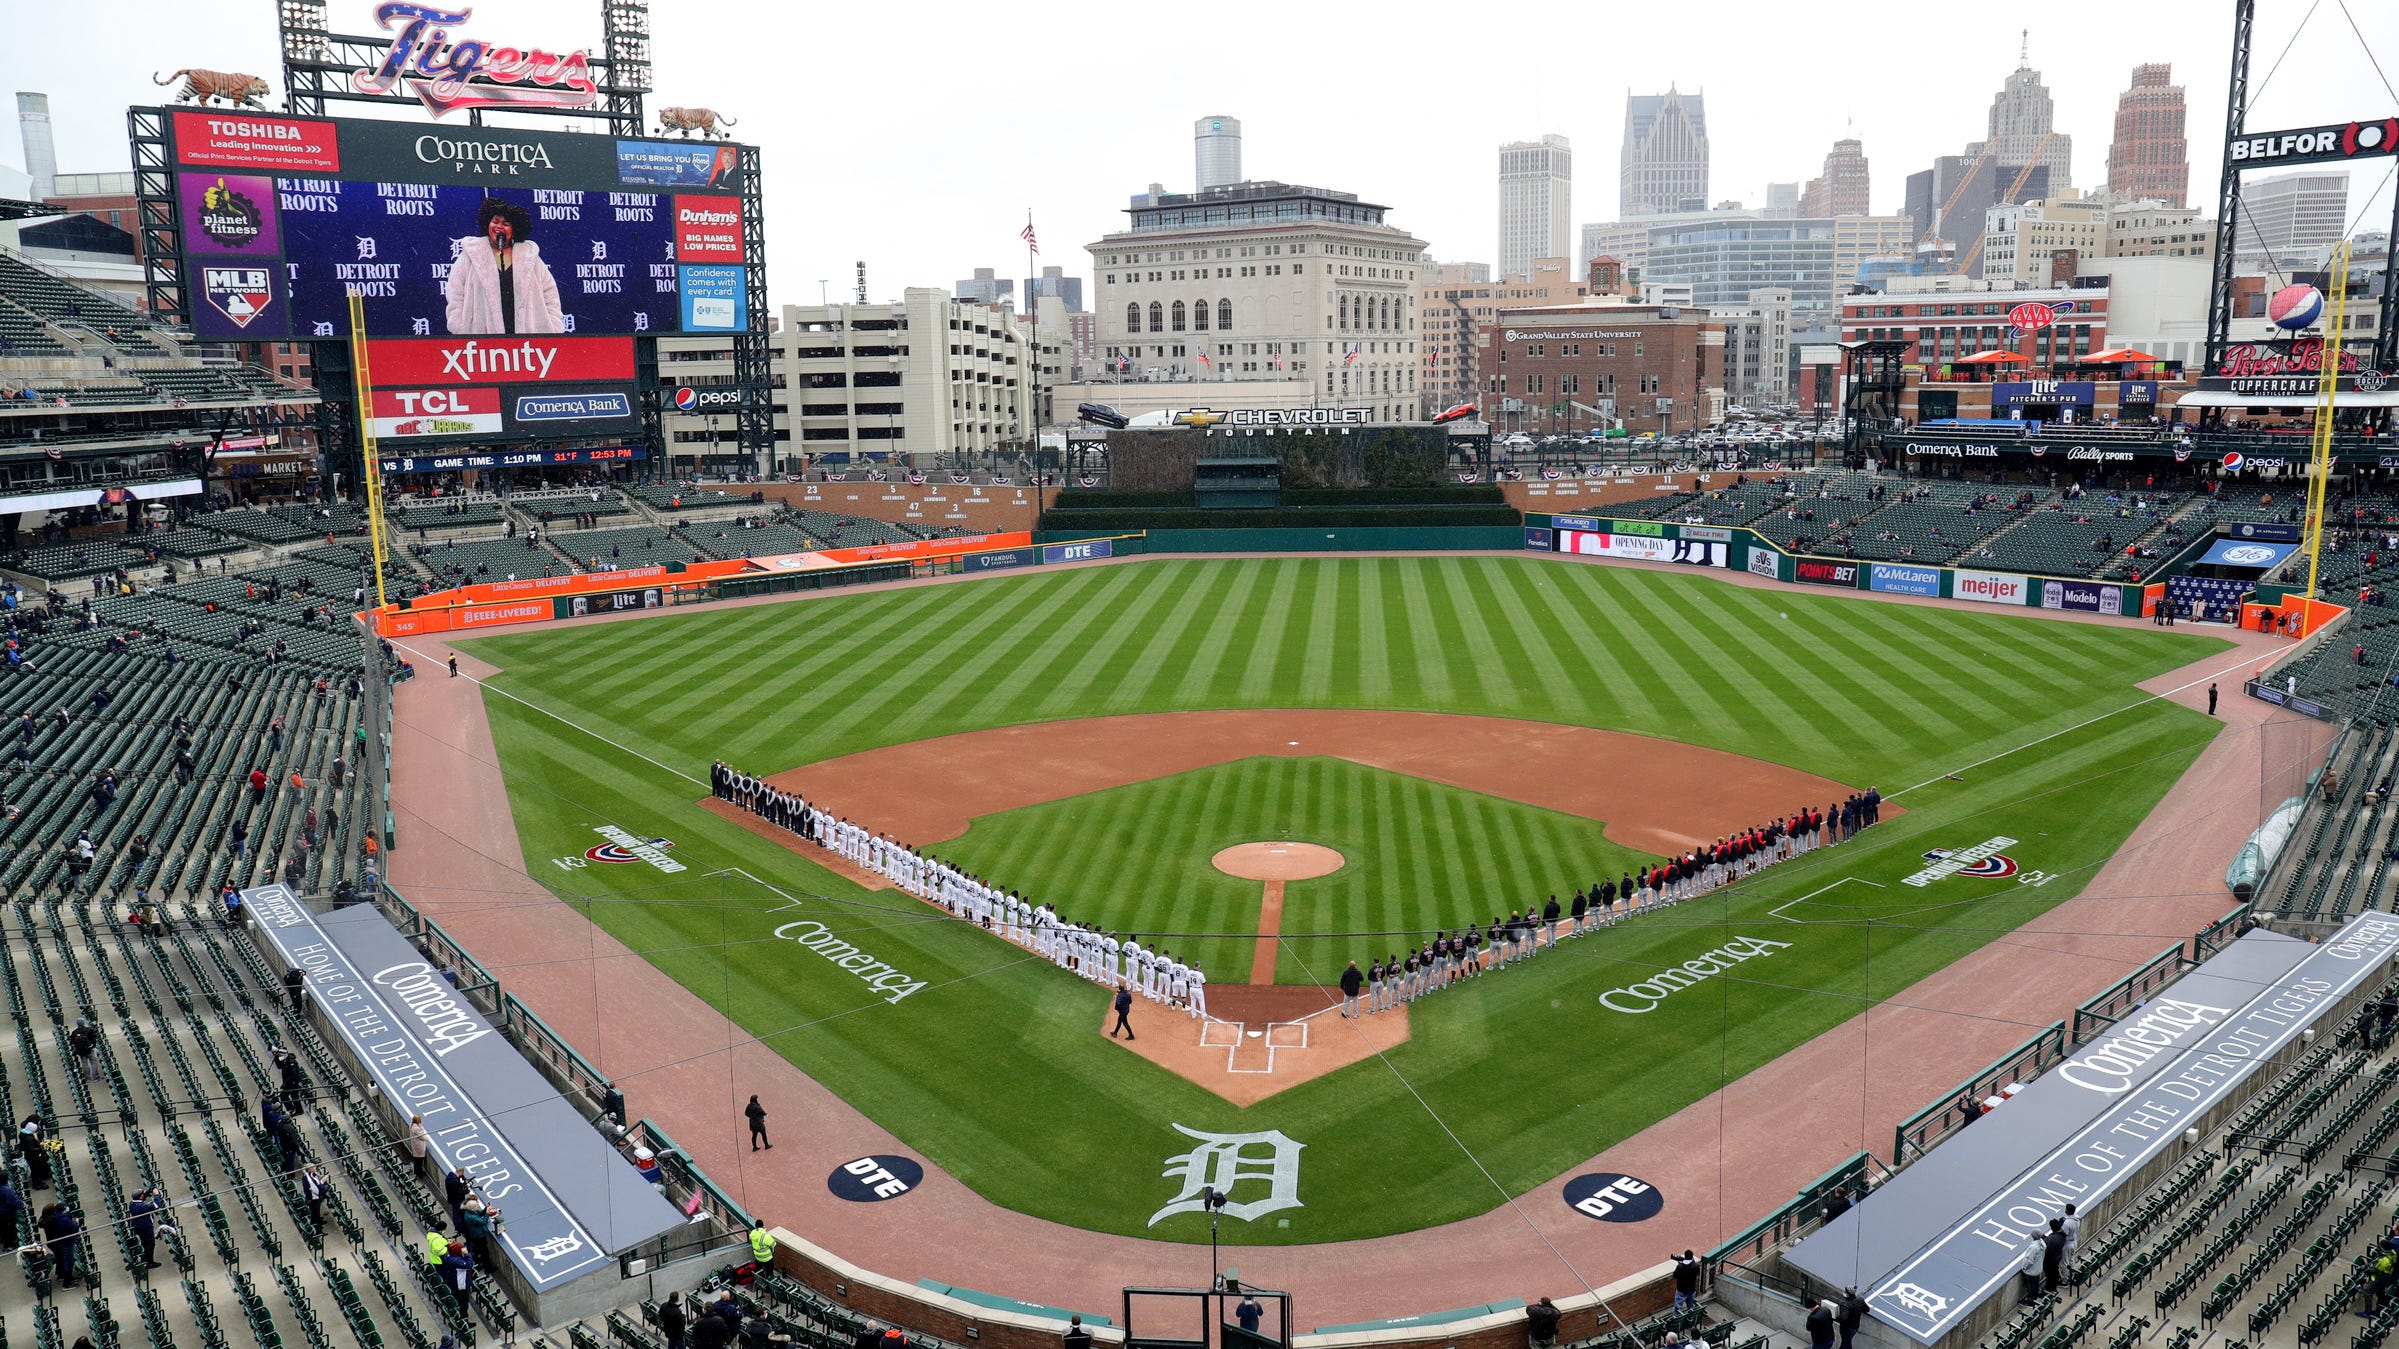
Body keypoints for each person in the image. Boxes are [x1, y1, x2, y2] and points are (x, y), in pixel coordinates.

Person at [444, 197, 564, 335]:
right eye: (495, 221)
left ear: (514, 229)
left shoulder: (530, 257)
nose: (499, 226)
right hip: (483, 340)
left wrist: (553, 325)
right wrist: (459, 325)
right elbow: (455, 292)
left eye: (506, 223)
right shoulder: (471, 255)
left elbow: (550, 293)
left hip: (527, 341)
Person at [127, 1188, 161, 1268]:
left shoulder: (132, 1203)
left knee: (145, 1244)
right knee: (150, 1244)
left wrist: (149, 1190)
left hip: (139, 1226)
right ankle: (150, 1262)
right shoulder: (141, 1206)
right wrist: (156, 1195)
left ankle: (146, 1259)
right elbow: (157, 1205)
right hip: (146, 1227)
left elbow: (141, 1197)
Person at [69, 1017, 99, 1083]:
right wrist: (93, 1046)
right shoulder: (88, 1030)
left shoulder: (74, 1032)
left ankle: (88, 1078)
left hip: (81, 1051)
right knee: (93, 1062)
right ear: (83, 1023)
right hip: (89, 1049)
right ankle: (95, 1077)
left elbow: (72, 1042)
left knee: (85, 1064)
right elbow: (94, 1038)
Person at [2041, 1217, 2067, 1291]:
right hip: (2057, 1257)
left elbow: (2048, 1247)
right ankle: (2053, 1287)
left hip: (2050, 1259)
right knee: (2055, 1272)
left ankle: (2048, 1289)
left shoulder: (2052, 1239)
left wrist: (2045, 1239)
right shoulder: (2062, 1235)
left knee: (2050, 1274)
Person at [301, 1163, 327, 1230]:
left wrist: (318, 1175)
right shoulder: (309, 1179)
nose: (316, 1168)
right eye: (314, 1167)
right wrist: (323, 1183)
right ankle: (318, 1229)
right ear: (310, 1169)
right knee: (315, 1213)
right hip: (314, 1199)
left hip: (313, 1197)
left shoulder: (309, 1175)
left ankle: (318, 1222)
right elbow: (316, 1189)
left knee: (315, 1212)